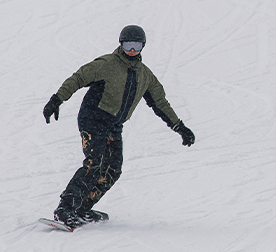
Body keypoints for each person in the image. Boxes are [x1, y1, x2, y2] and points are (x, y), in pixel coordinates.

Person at [42, 25, 195, 228]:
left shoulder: (145, 75)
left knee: (113, 170)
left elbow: (160, 102)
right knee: (94, 164)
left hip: (114, 126)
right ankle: (65, 209)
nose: (131, 50)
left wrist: (179, 127)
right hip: (93, 119)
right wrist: (57, 99)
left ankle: (82, 209)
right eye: (128, 45)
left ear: (143, 47)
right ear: (121, 44)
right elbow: (79, 77)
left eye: (136, 46)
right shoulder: (107, 64)